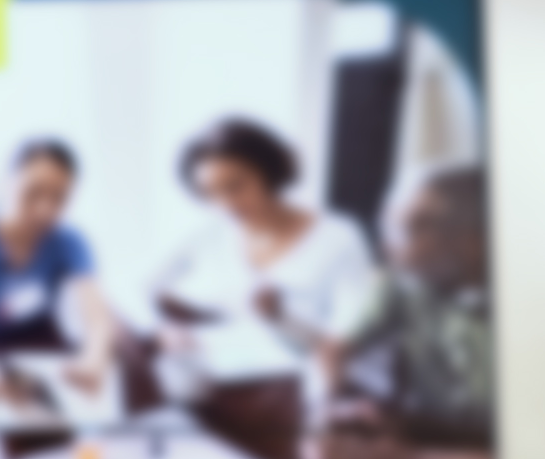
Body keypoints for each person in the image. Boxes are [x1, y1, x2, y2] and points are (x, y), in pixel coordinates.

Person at [315, 162, 497, 459]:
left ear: (478, 239)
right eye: (390, 225)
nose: (387, 244)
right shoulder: (402, 279)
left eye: (412, 228)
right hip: (428, 439)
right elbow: (337, 347)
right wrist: (331, 408)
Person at [143, 114, 388, 363]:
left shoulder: (338, 238)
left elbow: (344, 344)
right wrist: (164, 328)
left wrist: (280, 318)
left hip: (299, 375)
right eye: (210, 193)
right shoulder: (211, 231)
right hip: (224, 367)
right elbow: (140, 285)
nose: (225, 204)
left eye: (235, 186)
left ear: (269, 172)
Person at [0, 138, 127, 412]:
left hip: (35, 352)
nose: (45, 209)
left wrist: (93, 361)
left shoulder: (67, 240)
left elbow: (98, 318)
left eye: (60, 199)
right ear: (5, 182)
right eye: (32, 192)